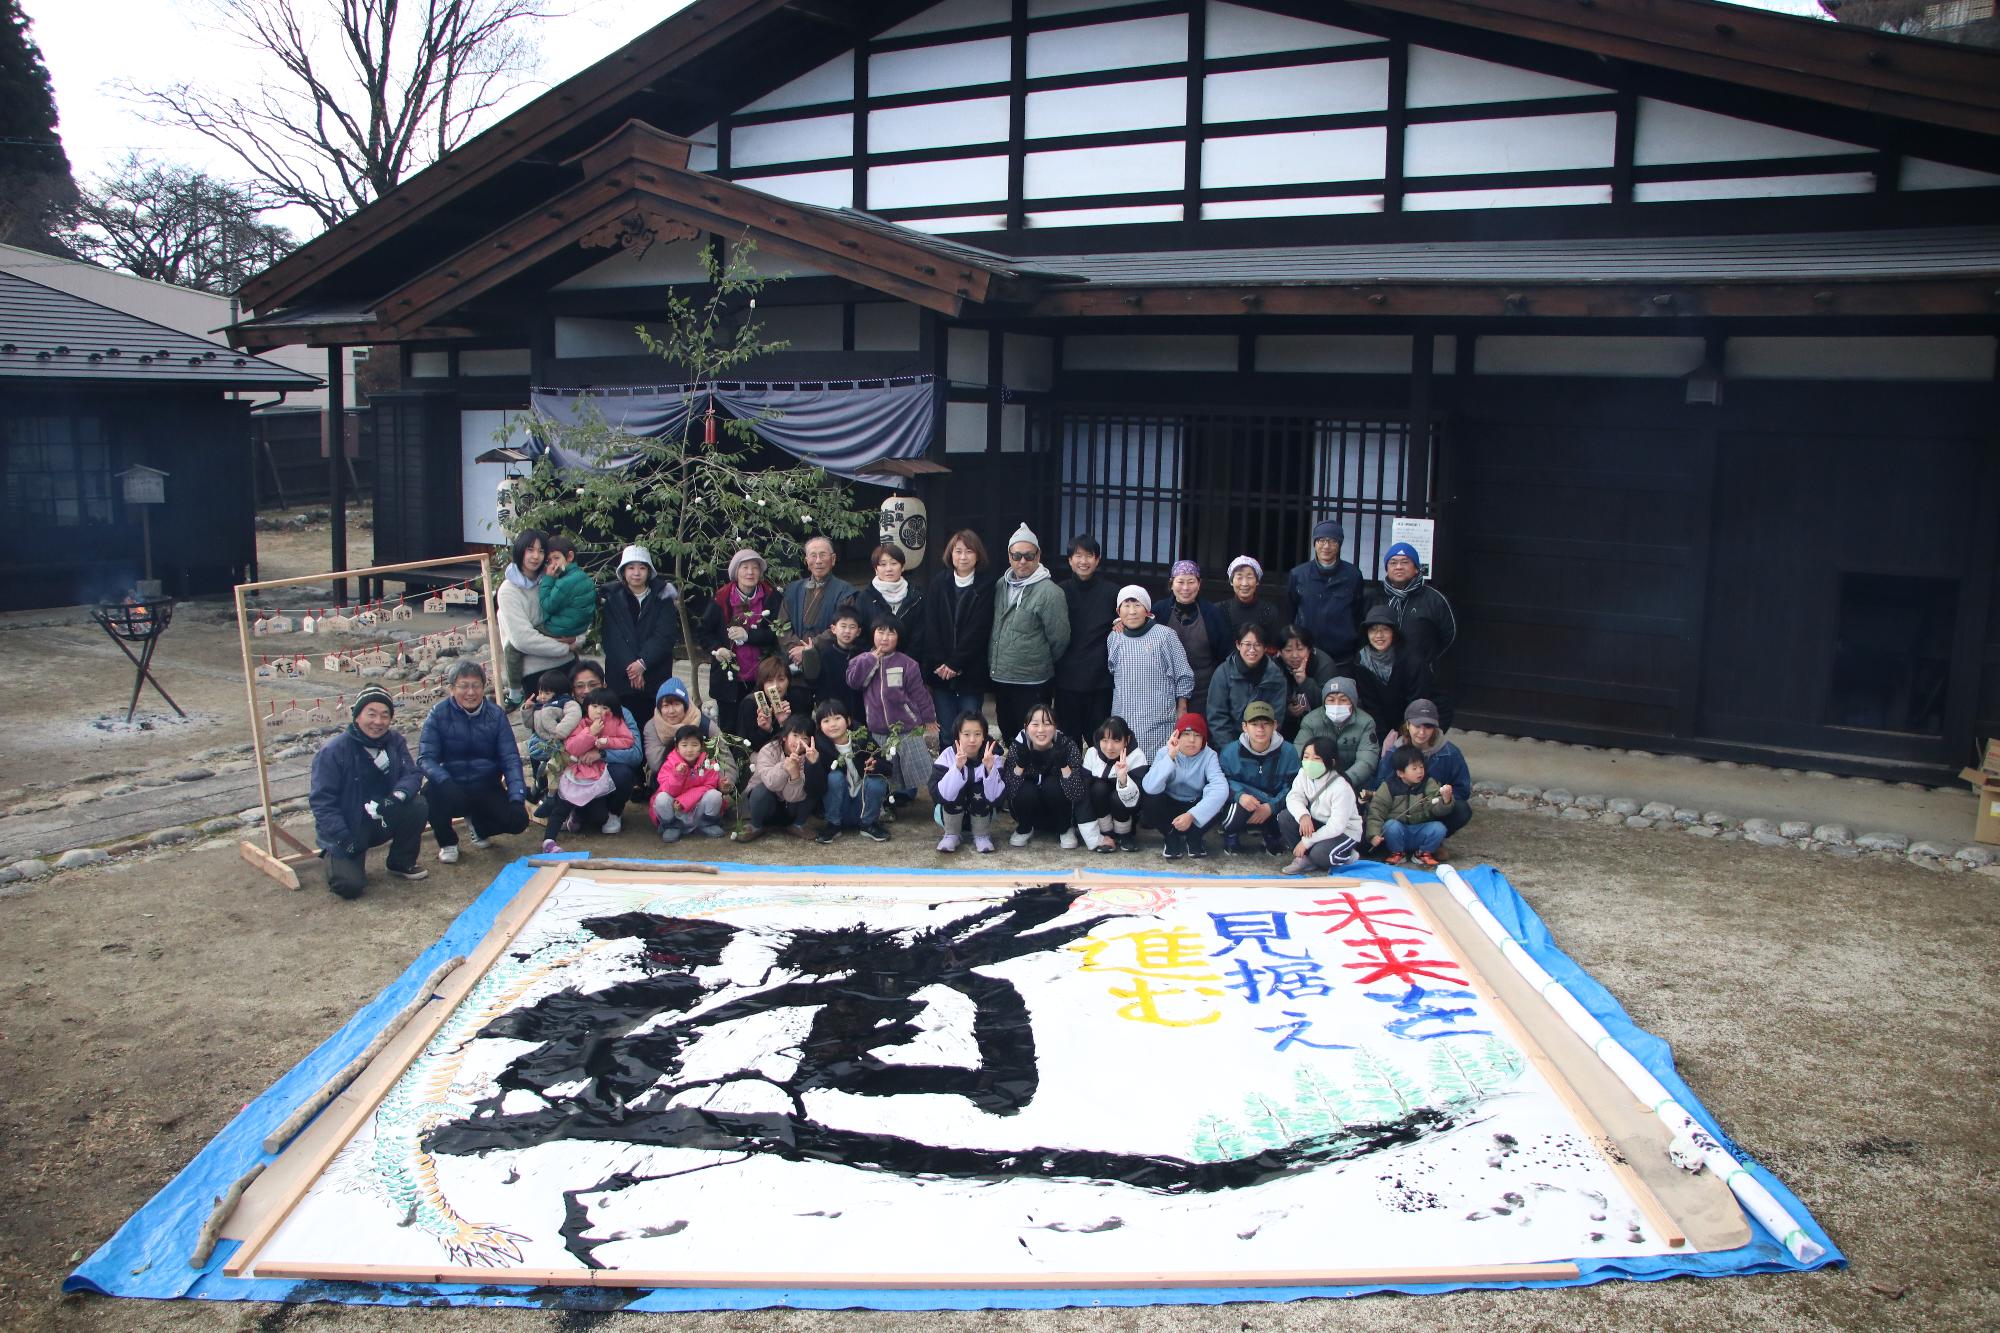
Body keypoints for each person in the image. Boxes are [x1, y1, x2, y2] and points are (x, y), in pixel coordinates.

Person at [309, 685, 428, 898]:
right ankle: (335, 858)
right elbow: (322, 802)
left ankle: (401, 862)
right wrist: (342, 837)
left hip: (382, 816)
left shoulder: (394, 741)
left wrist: (396, 797)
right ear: (357, 716)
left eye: (385, 715)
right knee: (349, 887)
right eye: (371, 714)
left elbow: (412, 774)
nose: (378, 722)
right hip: (348, 826)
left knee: (417, 804)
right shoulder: (333, 751)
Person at [418, 661, 529, 863]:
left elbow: (510, 759)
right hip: (451, 783)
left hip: (485, 784)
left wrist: (516, 798)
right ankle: (448, 843)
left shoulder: (496, 715)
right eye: (463, 686)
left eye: (476, 685)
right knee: (430, 794)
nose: (470, 692)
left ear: (483, 686)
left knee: (518, 821)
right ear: (452, 689)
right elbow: (425, 758)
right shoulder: (438, 714)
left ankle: (478, 826)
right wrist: (444, 780)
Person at [988, 524, 1070, 742]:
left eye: (1028, 555)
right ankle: (1013, 775)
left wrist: (1037, 658)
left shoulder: (1050, 592)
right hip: (1002, 676)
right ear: (1009, 556)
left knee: (1035, 736)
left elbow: (1059, 639)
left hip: (1033, 680)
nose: (1022, 561)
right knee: (1008, 732)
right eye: (1017, 556)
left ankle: (1035, 775)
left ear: (1038, 555)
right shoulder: (1000, 585)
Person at [846, 613, 939, 804]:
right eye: (880, 632)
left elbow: (920, 694)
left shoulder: (907, 663)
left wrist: (929, 719)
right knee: (885, 770)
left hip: (906, 728)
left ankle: (942, 803)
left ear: (899, 638)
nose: (885, 637)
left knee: (921, 768)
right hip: (878, 729)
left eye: (891, 633)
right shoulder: (861, 660)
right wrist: (872, 658)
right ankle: (887, 805)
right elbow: (854, 682)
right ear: (873, 634)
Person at [1106, 584, 1193, 760]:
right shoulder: (1114, 637)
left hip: (1159, 716)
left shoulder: (1166, 635)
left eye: (1137, 605)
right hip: (1125, 713)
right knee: (1127, 765)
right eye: (1127, 606)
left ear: (1147, 609)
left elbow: (1183, 674)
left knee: (1158, 766)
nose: (1132, 611)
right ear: (1118, 611)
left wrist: (1182, 707)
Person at [919, 528, 994, 729]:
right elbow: (932, 625)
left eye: (969, 551)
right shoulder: (939, 582)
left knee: (970, 728)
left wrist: (955, 663)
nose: (963, 557)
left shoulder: (986, 585)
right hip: (941, 671)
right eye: (958, 551)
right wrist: (942, 663)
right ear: (950, 554)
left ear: (978, 555)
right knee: (946, 731)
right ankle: (947, 761)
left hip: (971, 670)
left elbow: (979, 629)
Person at [697, 547, 780, 725]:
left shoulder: (771, 597)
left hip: (761, 676)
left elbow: (777, 634)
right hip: (729, 680)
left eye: (755, 567)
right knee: (730, 728)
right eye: (745, 567)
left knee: (762, 724)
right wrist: (717, 649)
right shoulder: (721, 598)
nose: (750, 572)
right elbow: (703, 631)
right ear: (736, 571)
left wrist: (749, 635)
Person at [599, 544, 680, 725]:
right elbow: (612, 637)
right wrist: (632, 668)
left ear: (649, 571)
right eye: (631, 567)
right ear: (623, 571)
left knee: (652, 726)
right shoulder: (612, 598)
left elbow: (665, 635)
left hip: (655, 673)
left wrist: (643, 663)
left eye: (642, 567)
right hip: (621, 676)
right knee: (623, 728)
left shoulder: (663, 597)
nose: (636, 573)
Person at [1371, 698, 1473, 841]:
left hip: (1433, 811)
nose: (1422, 732)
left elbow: (1462, 790)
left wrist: (1442, 798)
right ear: (1407, 725)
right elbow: (1379, 786)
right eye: (1417, 725)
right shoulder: (1395, 752)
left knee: (1462, 809)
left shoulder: (1450, 753)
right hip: (1399, 813)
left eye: (1428, 727)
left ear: (1436, 728)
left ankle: (1433, 842)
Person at [544, 688, 635, 845]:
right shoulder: (581, 723)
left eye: (605, 707)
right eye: (595, 706)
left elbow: (628, 741)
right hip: (578, 770)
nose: (599, 711)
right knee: (566, 801)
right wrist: (590, 733)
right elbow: (572, 747)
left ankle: (602, 814)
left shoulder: (616, 722)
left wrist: (606, 743)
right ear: (586, 707)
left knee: (599, 816)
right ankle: (550, 838)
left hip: (600, 773)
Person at [495, 529, 576, 703]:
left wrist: (578, 640)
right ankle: (515, 695)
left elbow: (575, 613)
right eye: (530, 550)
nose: (535, 556)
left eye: (541, 551)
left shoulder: (553, 579)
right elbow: (523, 639)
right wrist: (565, 647)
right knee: (545, 724)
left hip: (569, 664)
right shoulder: (508, 591)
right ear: (520, 551)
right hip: (536, 672)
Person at [566, 661, 647, 833]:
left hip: (607, 772)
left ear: (604, 685)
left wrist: (602, 753)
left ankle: (613, 812)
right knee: (594, 816)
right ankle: (574, 810)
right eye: (580, 686)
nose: (587, 690)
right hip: (580, 773)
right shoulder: (568, 714)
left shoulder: (621, 713)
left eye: (593, 684)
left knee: (624, 775)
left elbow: (635, 754)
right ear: (572, 690)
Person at [1053, 535, 1118, 743]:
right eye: (1078, 555)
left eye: (1089, 556)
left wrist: (1122, 623)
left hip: (1100, 679)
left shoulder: (1111, 592)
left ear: (1097, 560)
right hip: (1067, 678)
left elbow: (1128, 615)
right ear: (1070, 560)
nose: (1083, 561)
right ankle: (1068, 776)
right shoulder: (1059, 591)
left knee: (1100, 741)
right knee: (1067, 741)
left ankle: (1099, 777)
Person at [1140, 712, 1228, 860]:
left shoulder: (1209, 755)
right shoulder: (1164, 752)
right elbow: (1149, 786)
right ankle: (1170, 836)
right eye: (1186, 734)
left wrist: (1192, 815)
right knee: (1149, 799)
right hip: (1169, 804)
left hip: (1194, 805)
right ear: (1177, 736)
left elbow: (1220, 787)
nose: (1192, 740)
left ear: (1204, 739)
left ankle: (1195, 837)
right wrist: (1170, 758)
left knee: (1220, 800)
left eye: (1197, 735)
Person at [1000, 703, 1089, 849]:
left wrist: (1064, 767)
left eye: (1047, 724)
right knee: (1026, 789)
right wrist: (1019, 767)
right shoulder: (1018, 746)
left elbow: (1078, 793)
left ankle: (1065, 829)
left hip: (1060, 809)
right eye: (1035, 724)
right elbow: (1008, 791)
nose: (1041, 730)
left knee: (1052, 785)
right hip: (1030, 810)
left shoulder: (1067, 745)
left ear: (1055, 727)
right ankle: (1025, 828)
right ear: (1026, 727)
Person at [1218, 700, 1301, 856]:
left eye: (1266, 724)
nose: (1260, 729)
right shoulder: (1230, 751)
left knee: (1288, 811)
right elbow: (1221, 781)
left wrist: (1271, 806)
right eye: (1254, 724)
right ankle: (1230, 835)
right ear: (1245, 727)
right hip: (1245, 801)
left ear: (1275, 725)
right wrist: (1239, 795)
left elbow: (1294, 785)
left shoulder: (1289, 751)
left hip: (1273, 801)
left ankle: (1272, 836)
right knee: (1233, 811)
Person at [803, 699, 889, 844]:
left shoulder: (862, 738)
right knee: (834, 777)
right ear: (819, 727)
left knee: (876, 781)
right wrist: (813, 764)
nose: (833, 724)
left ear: (848, 721)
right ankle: (833, 825)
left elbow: (887, 768)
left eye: (837, 718)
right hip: (839, 807)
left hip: (863, 806)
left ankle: (869, 824)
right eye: (826, 720)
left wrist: (876, 766)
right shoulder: (819, 748)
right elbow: (814, 790)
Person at [1152, 561, 1231, 718]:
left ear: (1199, 584)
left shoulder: (1212, 613)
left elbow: (1225, 654)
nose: (1186, 588)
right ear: (1172, 583)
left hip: (1203, 689)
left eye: (1191, 582)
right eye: (1180, 582)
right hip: (1165, 687)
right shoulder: (1159, 610)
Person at [1277, 735, 1364, 876]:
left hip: (1343, 832)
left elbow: (1336, 826)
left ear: (1331, 762)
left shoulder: (1341, 787)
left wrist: (1307, 841)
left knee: (1321, 855)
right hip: (1317, 823)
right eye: (1306, 757)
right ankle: (1304, 858)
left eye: (1316, 758)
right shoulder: (1302, 774)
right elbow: (1293, 797)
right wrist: (1303, 815)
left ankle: (1347, 855)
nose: (1309, 762)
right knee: (1285, 817)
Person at [1284, 519, 1364, 670]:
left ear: (1339, 544)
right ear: (1314, 543)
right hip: (1306, 653)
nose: (1326, 546)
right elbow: (1290, 610)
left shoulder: (1353, 575)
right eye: (1321, 540)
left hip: (1342, 656)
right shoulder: (1298, 574)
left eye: (1332, 541)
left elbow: (1357, 613)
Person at [1366, 745, 1456, 867]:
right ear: (1401, 773)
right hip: (1399, 831)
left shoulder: (1428, 783)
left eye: (1421, 767)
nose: (1420, 771)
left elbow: (1436, 808)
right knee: (1391, 826)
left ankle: (1423, 853)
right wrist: (1373, 835)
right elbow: (1376, 811)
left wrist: (1445, 800)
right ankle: (1397, 853)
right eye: (1414, 768)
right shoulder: (1388, 786)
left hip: (1420, 829)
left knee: (1439, 828)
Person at [1352, 604, 1435, 738]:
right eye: (1373, 630)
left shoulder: (1412, 659)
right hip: (1378, 726)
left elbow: (1416, 699)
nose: (1379, 635)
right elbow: (1370, 704)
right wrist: (1383, 735)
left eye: (1385, 629)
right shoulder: (1361, 661)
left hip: (1412, 725)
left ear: (1394, 632)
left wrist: (1404, 732)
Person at [930, 713, 1007, 854]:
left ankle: (981, 835)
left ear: (984, 736)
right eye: (966, 734)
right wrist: (957, 768)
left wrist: (990, 769)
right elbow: (939, 795)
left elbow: (997, 799)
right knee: (956, 784)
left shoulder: (993, 758)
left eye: (977, 734)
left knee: (979, 787)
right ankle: (951, 834)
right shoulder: (947, 756)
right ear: (958, 736)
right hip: (949, 815)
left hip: (982, 814)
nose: (972, 740)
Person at [1378, 542, 1457, 677]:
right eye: (1393, 563)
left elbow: (1450, 635)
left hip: (1421, 675)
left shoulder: (1434, 599)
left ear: (1416, 568)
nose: (1398, 567)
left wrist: (1429, 662)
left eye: (1405, 562)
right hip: (1381, 674)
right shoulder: (1375, 597)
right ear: (1386, 568)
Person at [1205, 624, 1288, 750]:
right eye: (1247, 644)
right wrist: (1230, 750)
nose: (1252, 650)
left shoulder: (1276, 675)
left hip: (1264, 742)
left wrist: (1262, 745)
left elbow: (1277, 715)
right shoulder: (1223, 673)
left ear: (1265, 647)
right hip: (1231, 744)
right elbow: (1217, 717)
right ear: (1238, 645)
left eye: (1258, 645)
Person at [1294, 676, 1382, 794]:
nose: (1337, 704)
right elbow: (1299, 751)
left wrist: (1343, 781)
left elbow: (1367, 760)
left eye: (1343, 699)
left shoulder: (1366, 722)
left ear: (1353, 702)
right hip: (1316, 782)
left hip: (1353, 784)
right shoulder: (1311, 721)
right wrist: (1317, 778)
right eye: (1331, 700)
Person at [739, 716, 816, 842]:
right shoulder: (769, 750)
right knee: (761, 789)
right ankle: (756, 825)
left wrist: (795, 775)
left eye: (805, 738)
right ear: (785, 736)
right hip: (766, 804)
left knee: (815, 783)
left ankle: (798, 825)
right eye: (795, 735)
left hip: (791, 806)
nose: (799, 742)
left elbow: (793, 797)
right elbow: (772, 784)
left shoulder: (810, 757)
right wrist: (785, 766)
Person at [1078, 715, 1148, 854]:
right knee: (1098, 788)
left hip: (1126, 809)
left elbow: (1136, 801)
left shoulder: (1137, 756)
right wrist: (1093, 836)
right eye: (1105, 740)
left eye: (1116, 741)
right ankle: (1106, 833)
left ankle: (1124, 834)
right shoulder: (1092, 754)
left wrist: (1123, 780)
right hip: (1101, 811)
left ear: (1126, 740)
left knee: (1117, 797)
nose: (1110, 747)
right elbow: (1083, 794)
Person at [650, 724, 727, 843]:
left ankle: (707, 824)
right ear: (677, 747)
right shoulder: (669, 764)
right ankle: (671, 826)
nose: (689, 749)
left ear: (701, 747)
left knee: (714, 795)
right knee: (661, 798)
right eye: (684, 745)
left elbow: (709, 786)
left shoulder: (709, 762)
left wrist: (684, 801)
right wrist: (677, 775)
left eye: (694, 745)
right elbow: (666, 789)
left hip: (697, 809)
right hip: (675, 811)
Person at [853, 543, 924, 661]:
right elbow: (859, 634)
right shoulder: (864, 598)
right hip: (874, 663)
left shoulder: (916, 597)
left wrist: (905, 661)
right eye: (883, 564)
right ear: (876, 569)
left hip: (910, 664)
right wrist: (872, 657)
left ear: (902, 567)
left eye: (894, 563)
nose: (889, 569)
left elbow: (920, 635)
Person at [519, 666, 578, 806]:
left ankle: (548, 796)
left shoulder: (565, 702)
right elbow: (529, 725)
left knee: (552, 771)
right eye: (540, 691)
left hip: (557, 743)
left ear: (558, 692)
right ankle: (539, 788)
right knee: (541, 770)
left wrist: (559, 732)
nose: (542, 695)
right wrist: (527, 709)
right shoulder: (540, 705)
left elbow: (573, 716)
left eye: (547, 692)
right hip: (541, 742)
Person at [781, 535, 859, 639]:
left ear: (833, 559)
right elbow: (782, 625)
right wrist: (793, 647)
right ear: (807, 561)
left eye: (823, 555)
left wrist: (811, 649)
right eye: (813, 556)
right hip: (793, 652)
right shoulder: (792, 590)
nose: (818, 561)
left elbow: (844, 628)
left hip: (827, 652)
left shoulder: (845, 592)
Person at [735, 653, 812, 753]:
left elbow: (805, 738)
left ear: (789, 681)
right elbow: (747, 745)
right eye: (769, 681)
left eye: (781, 680)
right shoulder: (751, 703)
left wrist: (784, 723)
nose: (775, 686)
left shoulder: (797, 700)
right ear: (762, 683)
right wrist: (766, 730)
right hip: (757, 755)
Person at [1276, 624, 1336, 742]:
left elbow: (1329, 703)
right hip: (1286, 729)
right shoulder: (1274, 667)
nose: (1295, 655)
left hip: (1320, 727)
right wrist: (1288, 712)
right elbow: (1271, 700)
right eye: (1288, 650)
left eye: (1300, 649)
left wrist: (1304, 682)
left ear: (1309, 649)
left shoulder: (1324, 665)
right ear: (1280, 652)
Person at [1218, 555, 1284, 652]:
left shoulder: (1270, 611)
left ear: (1257, 581)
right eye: (1239, 577)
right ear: (1231, 581)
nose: (1244, 583)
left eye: (1249, 577)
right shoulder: (1219, 610)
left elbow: (1275, 647)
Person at [537, 534, 596, 642]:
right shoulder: (584, 577)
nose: (553, 564)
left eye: (556, 558)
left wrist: (548, 579)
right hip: (579, 629)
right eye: (549, 561)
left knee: (515, 644)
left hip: (560, 630)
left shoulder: (565, 582)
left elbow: (548, 605)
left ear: (569, 557)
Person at [811, 604, 866, 719]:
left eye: (852, 627)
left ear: (858, 631)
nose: (847, 631)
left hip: (860, 713)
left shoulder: (864, 655)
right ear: (833, 629)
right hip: (834, 715)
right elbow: (820, 688)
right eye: (843, 626)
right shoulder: (825, 655)